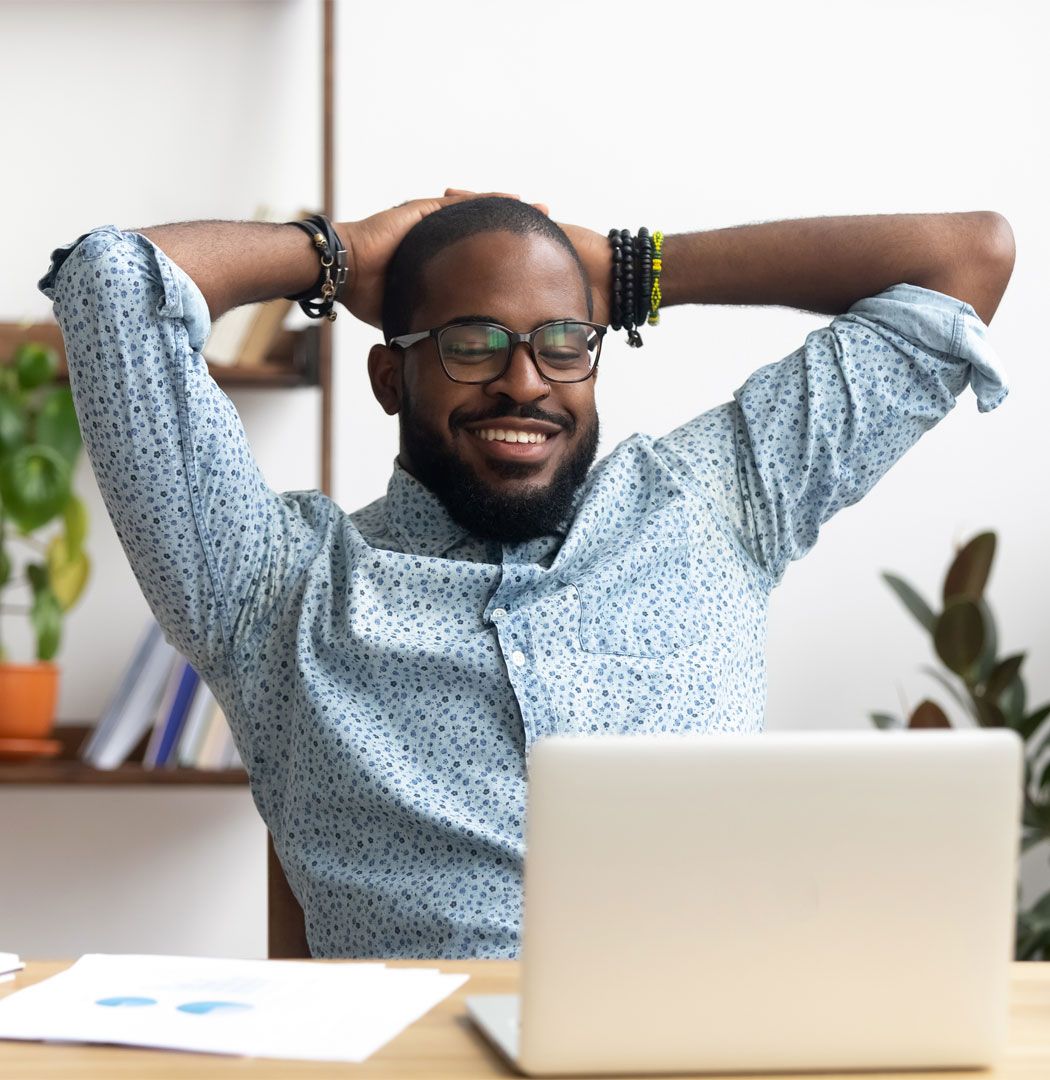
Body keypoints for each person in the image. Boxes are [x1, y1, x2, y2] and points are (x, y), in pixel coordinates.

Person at [37, 192, 1014, 958]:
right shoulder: (269, 586)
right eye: (471, 344)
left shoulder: (720, 499)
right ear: (390, 378)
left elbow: (965, 258)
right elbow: (113, 282)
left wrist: (626, 271)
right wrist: (341, 257)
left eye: (562, 342)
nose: (525, 380)